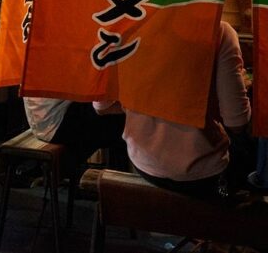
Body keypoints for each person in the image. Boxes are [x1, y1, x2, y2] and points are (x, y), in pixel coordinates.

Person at [95, 20, 250, 198]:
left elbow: (102, 106)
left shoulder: (124, 27)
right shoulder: (219, 31)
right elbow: (237, 122)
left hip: (143, 164)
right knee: (249, 153)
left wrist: (148, 102)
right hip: (203, 174)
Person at [23, 98, 126, 176]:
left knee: (117, 119)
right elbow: (98, 104)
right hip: (57, 122)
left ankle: (70, 165)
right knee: (121, 122)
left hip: (40, 121)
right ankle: (117, 187)